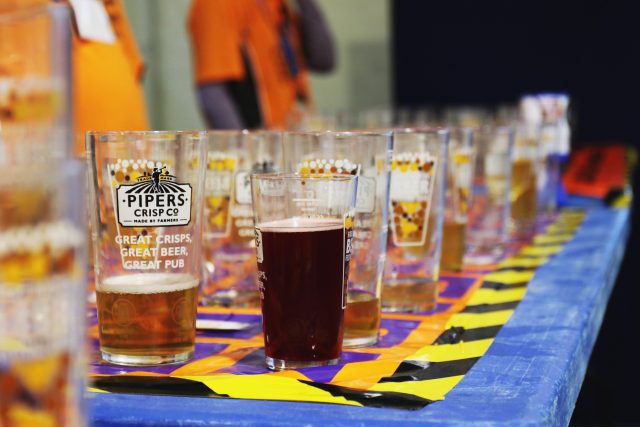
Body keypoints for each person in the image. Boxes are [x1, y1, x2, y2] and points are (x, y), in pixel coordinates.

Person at [188, 0, 335, 130]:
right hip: (260, 146)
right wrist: (244, 151)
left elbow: (323, 60)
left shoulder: (281, 6)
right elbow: (213, 92)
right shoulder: (217, 3)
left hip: (291, 138)